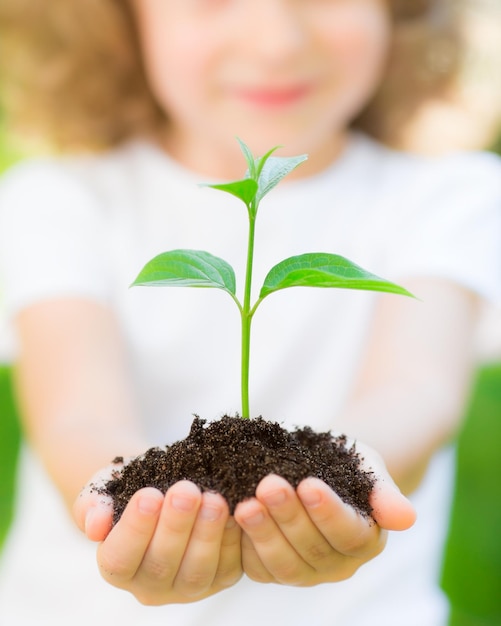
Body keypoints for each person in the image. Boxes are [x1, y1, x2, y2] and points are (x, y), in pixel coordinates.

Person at [0, 0, 500, 624]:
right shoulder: (60, 201)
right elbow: (76, 417)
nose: (276, 42)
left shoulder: (449, 197)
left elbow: (417, 390)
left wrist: (350, 474)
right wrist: (131, 500)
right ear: (121, 18)